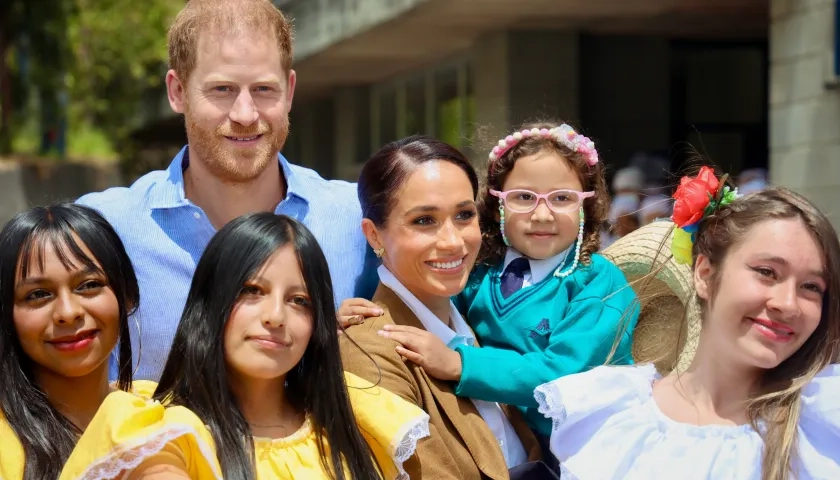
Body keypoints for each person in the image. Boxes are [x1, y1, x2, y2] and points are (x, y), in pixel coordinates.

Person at [76, 0, 375, 382]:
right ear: (177, 91)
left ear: (290, 90)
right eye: (222, 89)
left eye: (264, 89)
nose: (245, 114)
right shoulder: (103, 229)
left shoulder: (357, 217)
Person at [66, 213, 428, 480]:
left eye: (299, 300)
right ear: (210, 304)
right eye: (251, 292)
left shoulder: (360, 415)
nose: (275, 316)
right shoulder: (163, 435)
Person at [535, 168, 840, 479]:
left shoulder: (823, 422)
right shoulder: (614, 415)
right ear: (705, 273)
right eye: (766, 272)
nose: (787, 303)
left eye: (812, 287)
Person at [374, 123, 639, 458]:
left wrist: (459, 364)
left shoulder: (599, 283)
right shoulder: (477, 274)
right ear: (496, 203)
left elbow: (563, 375)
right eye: (524, 197)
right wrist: (369, 310)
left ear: (587, 205)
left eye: (562, 198)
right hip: (518, 453)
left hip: (596, 455)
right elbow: (427, 309)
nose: (542, 214)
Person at [340, 135, 544, 480]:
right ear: (374, 236)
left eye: (464, 215)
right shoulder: (368, 352)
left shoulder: (475, 325)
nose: (452, 241)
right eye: (424, 221)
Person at [0, 204, 143, 479]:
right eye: (38, 294)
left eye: (89, 285)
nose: (68, 312)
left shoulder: (164, 415)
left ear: (126, 296)